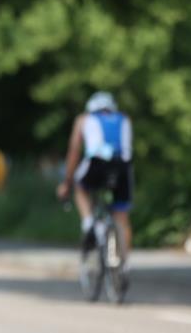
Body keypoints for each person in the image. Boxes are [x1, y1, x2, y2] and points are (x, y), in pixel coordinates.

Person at [57, 91, 134, 264]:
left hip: (96, 164)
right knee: (121, 216)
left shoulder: (84, 119)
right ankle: (122, 266)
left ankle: (89, 222)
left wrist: (66, 182)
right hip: (123, 166)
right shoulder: (125, 119)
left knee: (79, 186)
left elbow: (74, 152)